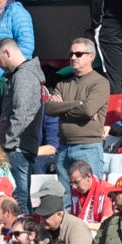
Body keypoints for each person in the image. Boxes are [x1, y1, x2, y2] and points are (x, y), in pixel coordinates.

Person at [43, 36, 112, 190]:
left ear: (91, 56)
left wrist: (62, 108)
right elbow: (49, 109)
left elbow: (87, 110)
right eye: (71, 54)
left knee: (90, 195)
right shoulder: (63, 84)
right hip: (63, 147)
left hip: (88, 147)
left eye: (78, 54)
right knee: (65, 198)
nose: (73, 58)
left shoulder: (100, 82)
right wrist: (77, 104)